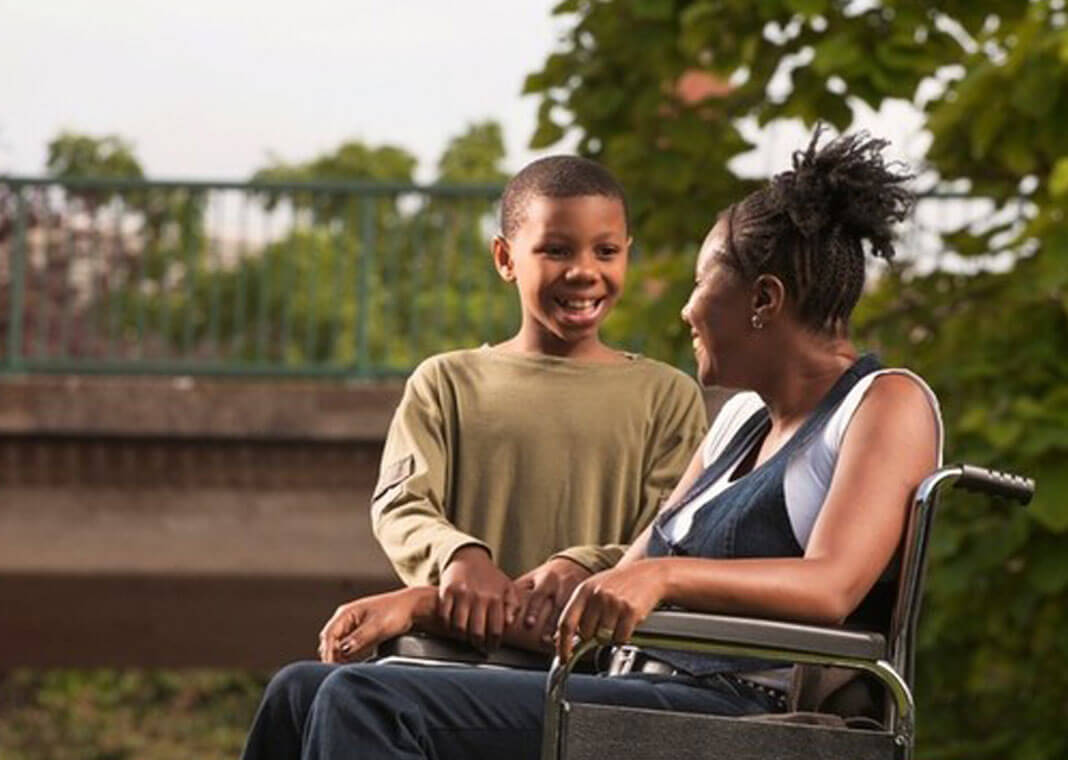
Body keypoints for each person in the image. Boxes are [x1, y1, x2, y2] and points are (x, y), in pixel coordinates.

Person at [241, 129, 943, 760]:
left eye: (703, 283)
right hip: (623, 687)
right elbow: (590, 612)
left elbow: (832, 585)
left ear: (762, 300)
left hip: (737, 714)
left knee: (368, 704)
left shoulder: (883, 402)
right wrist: (422, 603)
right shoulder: (736, 425)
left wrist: (663, 576)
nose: (686, 308)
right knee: (302, 690)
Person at [369, 155, 708, 652]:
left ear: (627, 257)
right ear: (506, 258)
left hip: (598, 671)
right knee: (300, 691)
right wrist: (458, 555)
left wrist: (586, 565)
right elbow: (401, 503)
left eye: (607, 251)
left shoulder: (668, 396)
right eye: (555, 250)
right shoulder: (444, 383)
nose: (584, 271)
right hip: (450, 662)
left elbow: (675, 536)